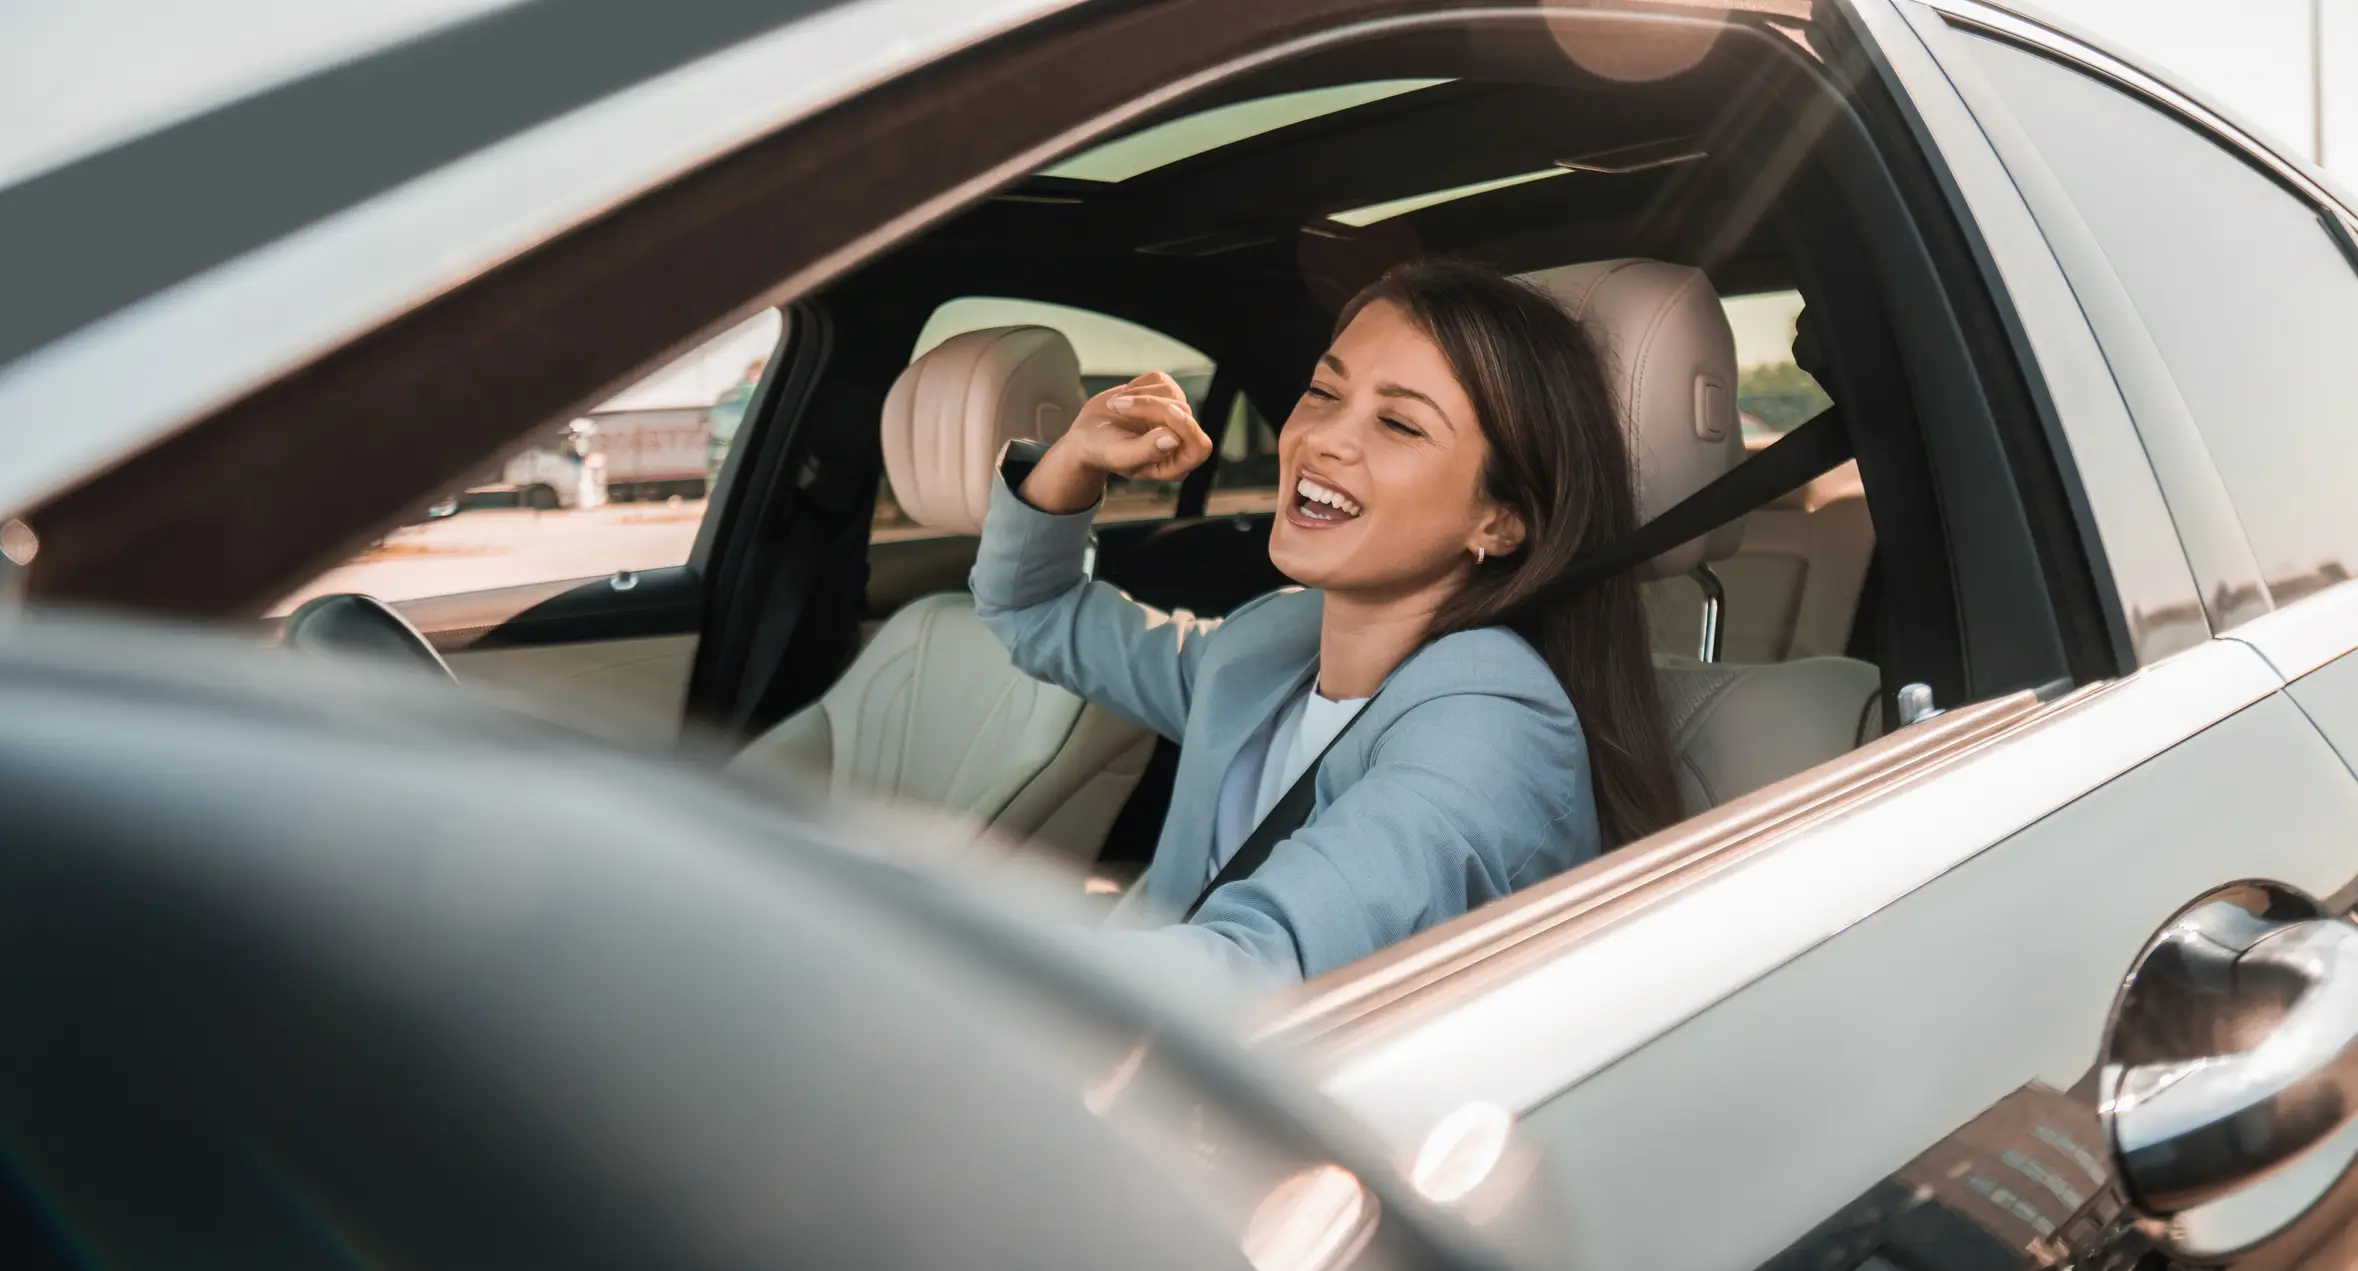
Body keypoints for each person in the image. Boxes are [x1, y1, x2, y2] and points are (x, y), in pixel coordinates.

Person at [972, 260, 1678, 991]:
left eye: (1399, 422)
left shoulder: (1494, 729)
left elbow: (1254, 969)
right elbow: (1032, 611)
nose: (1323, 438)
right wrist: (1076, 458)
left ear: (1501, 522)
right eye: (1322, 390)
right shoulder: (1266, 650)